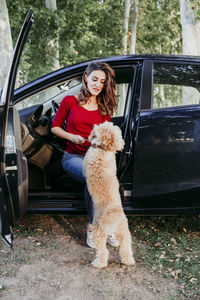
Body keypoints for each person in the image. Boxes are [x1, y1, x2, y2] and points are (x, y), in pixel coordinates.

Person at [51, 61, 119, 248]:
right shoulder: (69, 101)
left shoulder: (105, 108)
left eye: (102, 81)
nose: (98, 84)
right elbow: (55, 127)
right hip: (72, 157)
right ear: (85, 79)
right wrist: (72, 137)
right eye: (94, 79)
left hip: (96, 158)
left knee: (100, 178)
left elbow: (105, 138)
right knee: (94, 178)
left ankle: (107, 228)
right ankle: (94, 228)